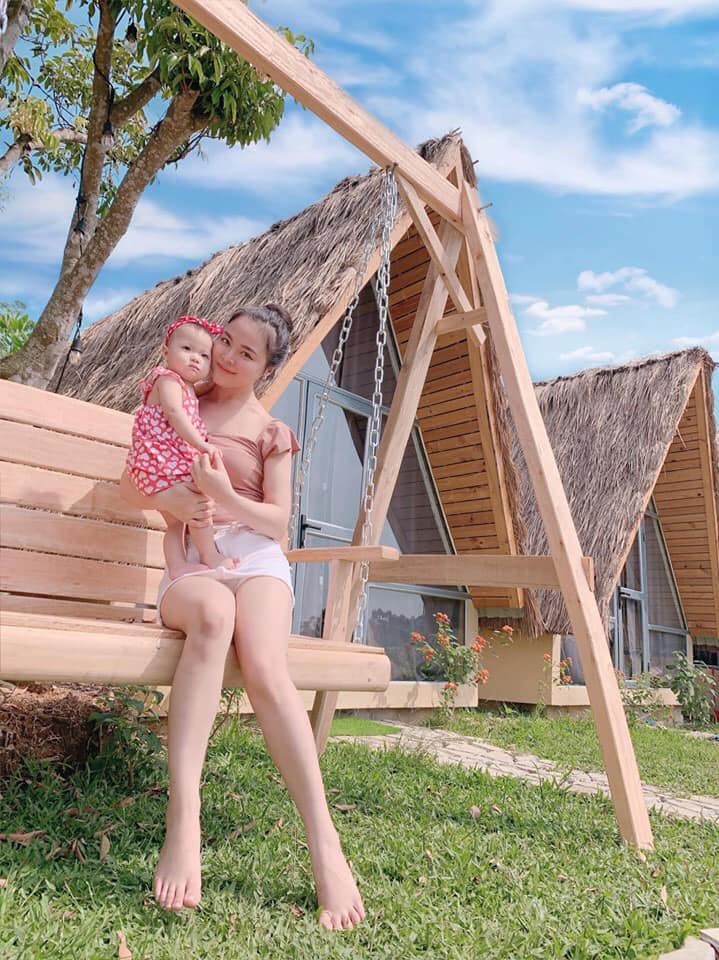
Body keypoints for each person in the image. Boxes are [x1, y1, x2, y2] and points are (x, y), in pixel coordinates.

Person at [119, 304, 366, 931]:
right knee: (212, 615)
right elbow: (130, 483)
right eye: (225, 341)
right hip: (192, 561)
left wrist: (226, 495)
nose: (227, 357)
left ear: (267, 368)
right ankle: (184, 816)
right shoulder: (177, 396)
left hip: (254, 557)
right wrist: (172, 499)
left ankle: (325, 843)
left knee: (264, 663)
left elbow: (277, 522)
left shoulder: (271, 431)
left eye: (246, 353)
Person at [126, 315, 237, 580]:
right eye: (186, 349)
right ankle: (210, 554)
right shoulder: (168, 381)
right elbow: (175, 414)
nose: (195, 358)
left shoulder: (187, 386)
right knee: (198, 502)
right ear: (166, 352)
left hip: (162, 463)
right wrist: (200, 444)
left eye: (204, 355)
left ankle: (177, 566)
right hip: (158, 462)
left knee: (176, 523)